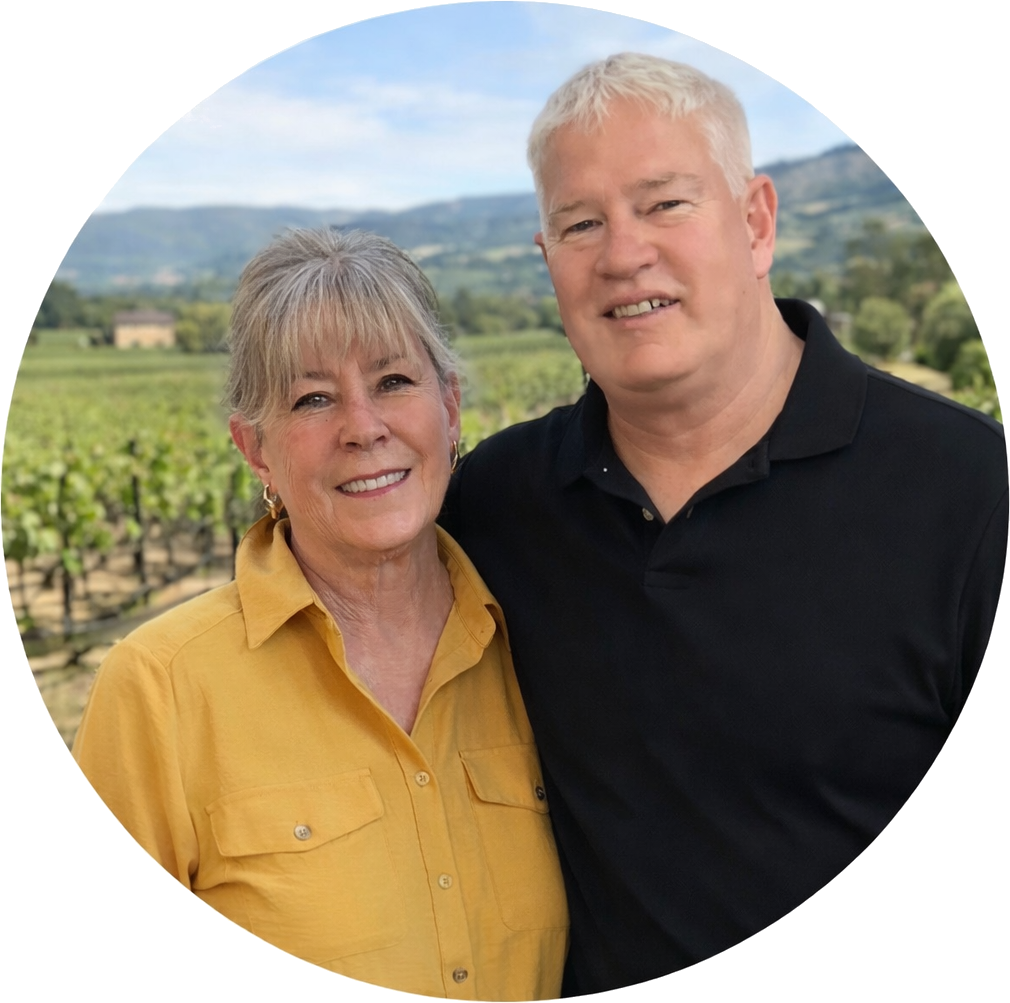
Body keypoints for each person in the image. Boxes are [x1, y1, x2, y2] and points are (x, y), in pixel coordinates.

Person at [441, 53, 1008, 994]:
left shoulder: (972, 492)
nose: (623, 254)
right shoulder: (495, 504)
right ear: (550, 265)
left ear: (755, 222)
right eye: (581, 223)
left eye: (665, 204)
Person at [72, 227, 568, 1000]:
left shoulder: (540, 644)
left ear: (450, 405)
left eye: (395, 380)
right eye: (312, 398)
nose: (364, 426)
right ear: (255, 448)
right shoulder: (160, 687)